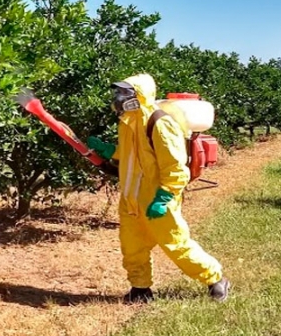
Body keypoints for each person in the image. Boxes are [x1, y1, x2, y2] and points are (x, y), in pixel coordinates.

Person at [87, 73, 230, 303]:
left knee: (176, 245)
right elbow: (130, 153)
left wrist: (164, 197)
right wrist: (108, 150)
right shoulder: (128, 121)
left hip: (157, 198)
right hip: (131, 199)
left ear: (139, 95)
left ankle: (215, 279)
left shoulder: (160, 123)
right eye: (118, 92)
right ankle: (140, 289)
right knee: (133, 248)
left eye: (125, 93)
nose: (119, 97)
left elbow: (175, 165)